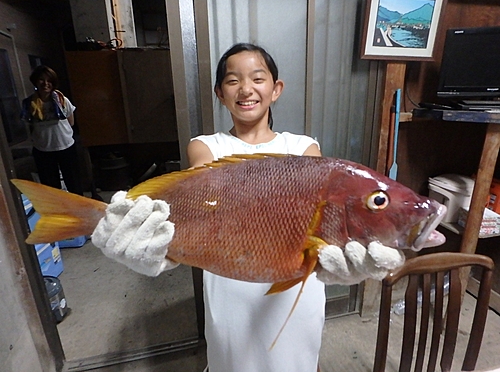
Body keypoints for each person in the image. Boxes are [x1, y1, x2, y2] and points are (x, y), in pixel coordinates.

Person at [91, 43, 405, 372]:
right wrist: (159, 238)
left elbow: (323, 208)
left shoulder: (303, 146)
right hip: (230, 289)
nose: (246, 89)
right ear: (220, 93)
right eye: (232, 81)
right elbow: (202, 181)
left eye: (258, 78)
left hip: (295, 292)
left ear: (276, 88)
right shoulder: (206, 146)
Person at [21, 65, 83, 195]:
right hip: (43, 150)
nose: (45, 84)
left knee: (74, 184)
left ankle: (79, 212)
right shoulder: (28, 104)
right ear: (35, 81)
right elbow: (29, 125)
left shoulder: (62, 100)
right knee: (51, 189)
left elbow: (71, 122)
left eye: (49, 81)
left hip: (66, 147)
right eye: (41, 80)